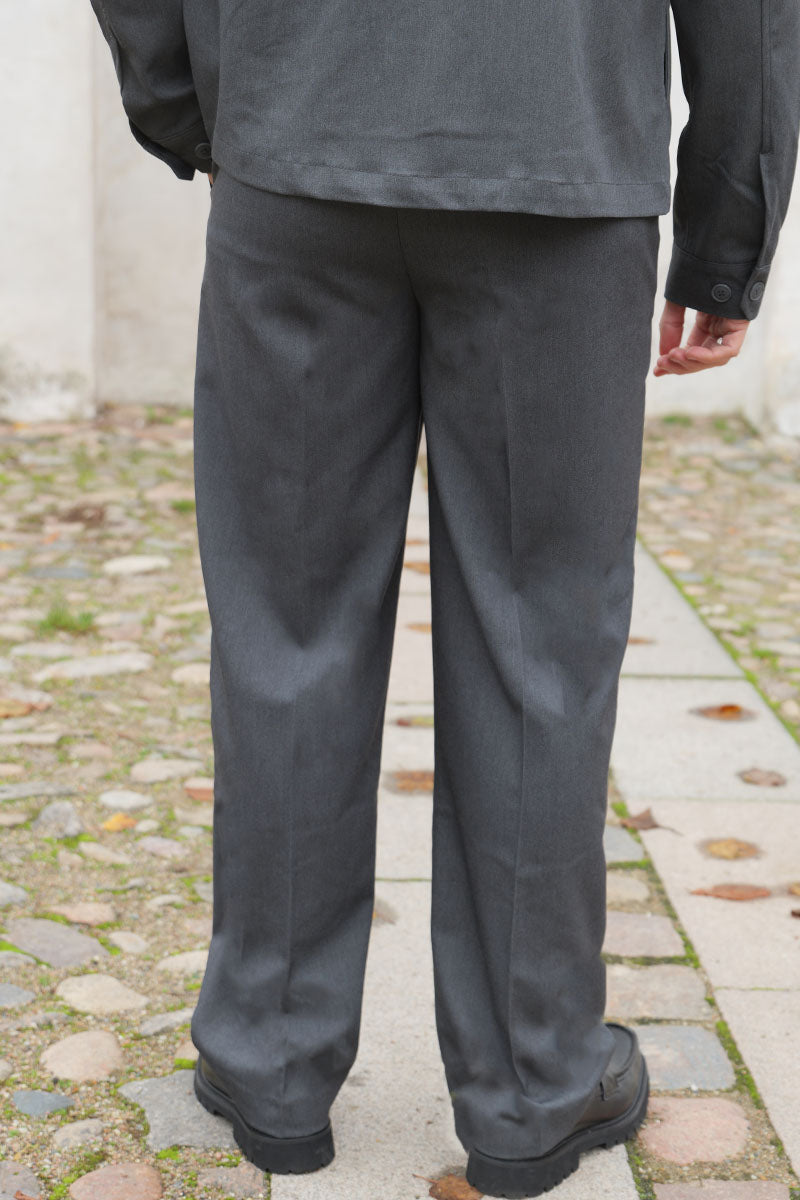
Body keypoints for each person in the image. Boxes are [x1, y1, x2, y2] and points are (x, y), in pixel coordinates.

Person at [88, 2, 800, 1195]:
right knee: (540, 640)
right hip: (558, 158)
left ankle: (270, 1058)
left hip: (298, 142)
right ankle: (532, 1082)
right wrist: (725, 234)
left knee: (286, 627)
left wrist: (202, 107)